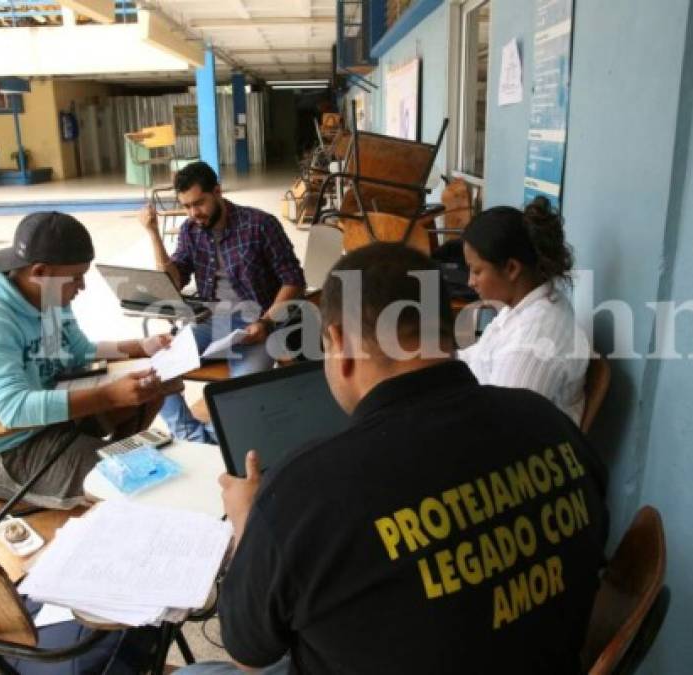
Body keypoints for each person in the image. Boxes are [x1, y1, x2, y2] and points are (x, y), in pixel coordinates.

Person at [179, 243, 609, 674]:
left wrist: (247, 523)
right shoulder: (548, 422)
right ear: (450, 331)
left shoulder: (302, 492)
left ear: (339, 344)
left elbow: (249, 654)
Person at [0, 211, 181, 509]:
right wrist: (109, 396)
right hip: (7, 451)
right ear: (41, 272)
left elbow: (79, 352)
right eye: (75, 278)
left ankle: (111, 466)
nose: (82, 287)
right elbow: (12, 409)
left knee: (149, 396)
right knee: (142, 485)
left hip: (49, 423)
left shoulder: (47, 295)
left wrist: (141, 346)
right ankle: (112, 483)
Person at [139, 161, 305, 443]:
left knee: (239, 393)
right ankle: (194, 437)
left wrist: (266, 322)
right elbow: (174, 282)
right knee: (155, 372)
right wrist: (154, 234)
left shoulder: (260, 225)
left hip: (256, 323)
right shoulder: (190, 231)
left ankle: (211, 438)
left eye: (199, 203)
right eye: (187, 207)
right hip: (209, 322)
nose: (194, 213)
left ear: (217, 191)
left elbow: (294, 281)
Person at [457, 196, 591, 425]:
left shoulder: (534, 342)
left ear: (511, 269)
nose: (470, 281)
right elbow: (477, 356)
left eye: (477, 271)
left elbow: (503, 428)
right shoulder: (520, 307)